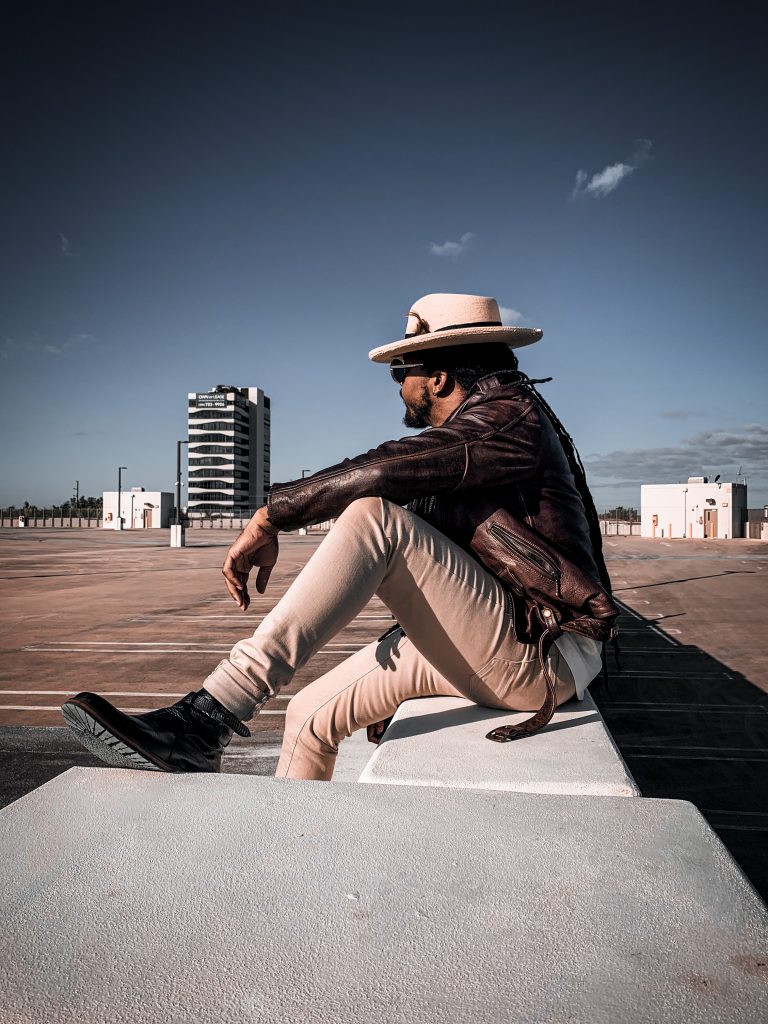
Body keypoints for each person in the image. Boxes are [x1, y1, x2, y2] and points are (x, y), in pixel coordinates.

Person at [62, 293, 615, 781]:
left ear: (440, 378)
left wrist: (270, 515)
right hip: (508, 634)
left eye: (402, 371)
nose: (398, 385)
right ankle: (287, 868)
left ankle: (208, 718)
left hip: (543, 650)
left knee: (372, 516)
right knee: (308, 715)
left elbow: (381, 475)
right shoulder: (486, 426)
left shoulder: (505, 418)